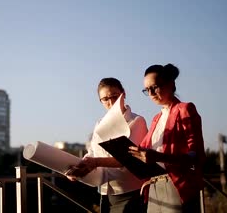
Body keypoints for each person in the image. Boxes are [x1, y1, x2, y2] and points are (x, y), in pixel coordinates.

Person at [128, 64, 205, 213]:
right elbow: (144, 151)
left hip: (177, 185)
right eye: (146, 90)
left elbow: (195, 155)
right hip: (154, 186)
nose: (150, 93)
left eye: (154, 87)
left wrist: (158, 156)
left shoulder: (185, 109)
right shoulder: (156, 118)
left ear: (171, 84)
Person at [66, 77, 148, 213]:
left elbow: (128, 158)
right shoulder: (100, 123)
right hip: (105, 192)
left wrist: (96, 162)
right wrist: (77, 168)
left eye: (115, 96)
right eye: (105, 99)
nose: (111, 102)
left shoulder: (137, 121)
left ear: (124, 94)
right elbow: (92, 153)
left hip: (130, 191)